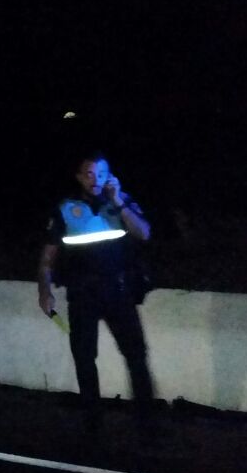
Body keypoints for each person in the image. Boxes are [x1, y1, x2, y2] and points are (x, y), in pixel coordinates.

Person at [37, 154, 157, 429]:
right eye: (89, 174)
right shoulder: (66, 209)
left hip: (119, 291)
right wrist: (44, 290)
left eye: (101, 174)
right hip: (82, 293)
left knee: (136, 356)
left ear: (110, 176)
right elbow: (46, 259)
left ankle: (147, 422)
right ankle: (93, 422)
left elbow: (144, 233)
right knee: (84, 358)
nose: (96, 180)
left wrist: (118, 202)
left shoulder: (122, 202)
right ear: (80, 177)